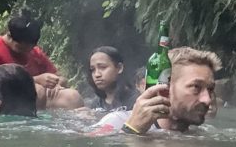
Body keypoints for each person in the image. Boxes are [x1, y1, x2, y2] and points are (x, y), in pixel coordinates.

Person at [89, 47, 220, 135]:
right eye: (196, 87)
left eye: (210, 89)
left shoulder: (200, 134)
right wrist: (132, 130)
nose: (208, 99)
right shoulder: (116, 121)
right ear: (164, 88)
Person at [0, 10, 83, 110]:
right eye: (21, 48)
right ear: (9, 36)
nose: (26, 52)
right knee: (39, 90)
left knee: (72, 96)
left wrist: (56, 82)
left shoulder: (33, 51)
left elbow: (61, 77)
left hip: (43, 98)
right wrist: (36, 80)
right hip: (9, 98)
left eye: (30, 48)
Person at [88, 46, 139, 111]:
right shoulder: (96, 104)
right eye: (92, 70)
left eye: (103, 67)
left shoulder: (137, 101)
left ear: (119, 68)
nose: (97, 74)